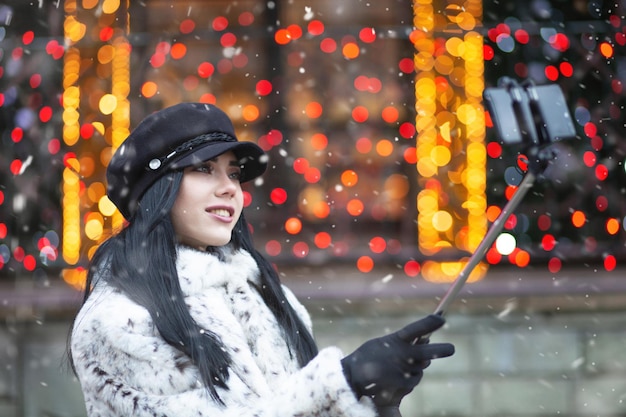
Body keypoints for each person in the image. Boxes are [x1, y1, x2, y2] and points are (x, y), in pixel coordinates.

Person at [69, 102, 455, 417]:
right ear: (157, 192)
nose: (228, 188)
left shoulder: (265, 294)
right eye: (204, 170)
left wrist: (372, 402)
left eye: (234, 174)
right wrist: (345, 379)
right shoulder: (117, 321)